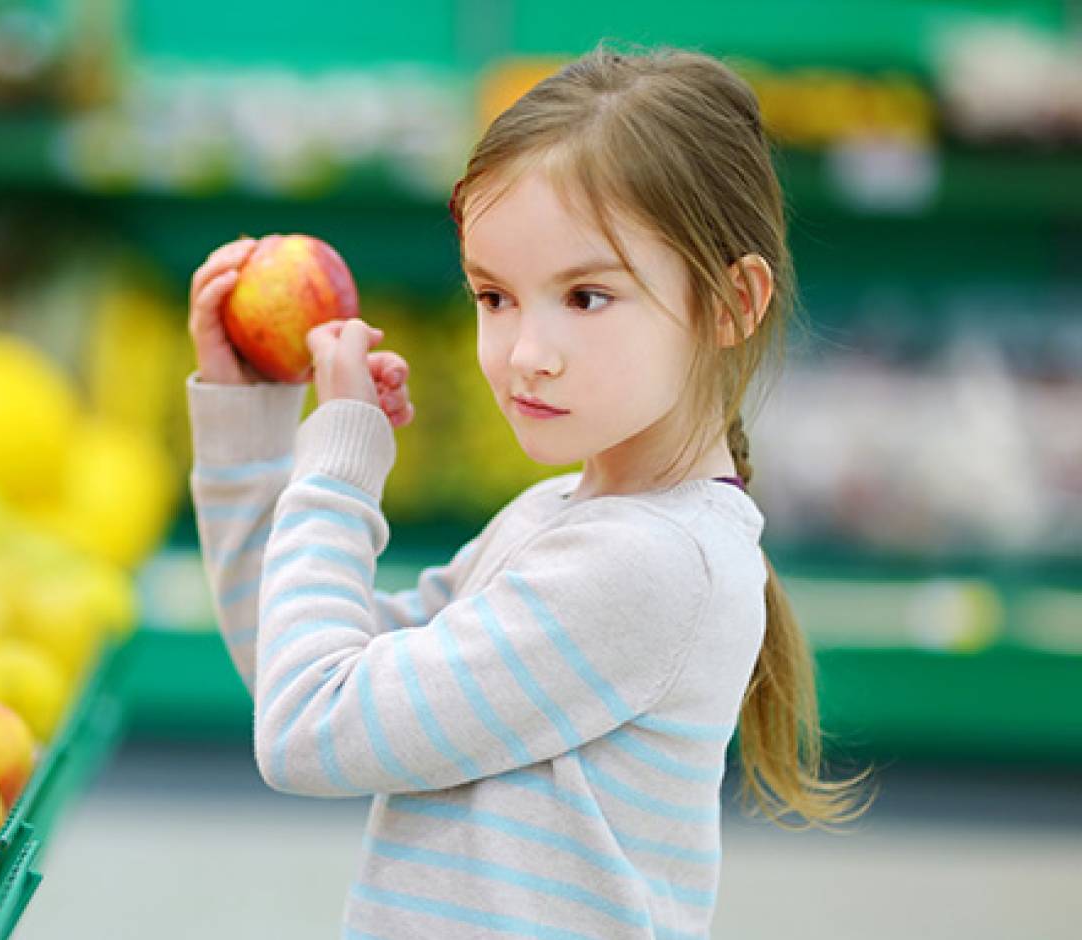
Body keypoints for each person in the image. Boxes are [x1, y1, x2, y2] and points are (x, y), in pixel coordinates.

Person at [183, 42, 874, 939]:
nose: (523, 352)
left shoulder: (648, 565)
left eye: (585, 297)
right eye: (494, 296)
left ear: (731, 303)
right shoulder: (562, 518)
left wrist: (342, 462)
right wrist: (254, 426)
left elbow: (310, 729)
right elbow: (291, 663)